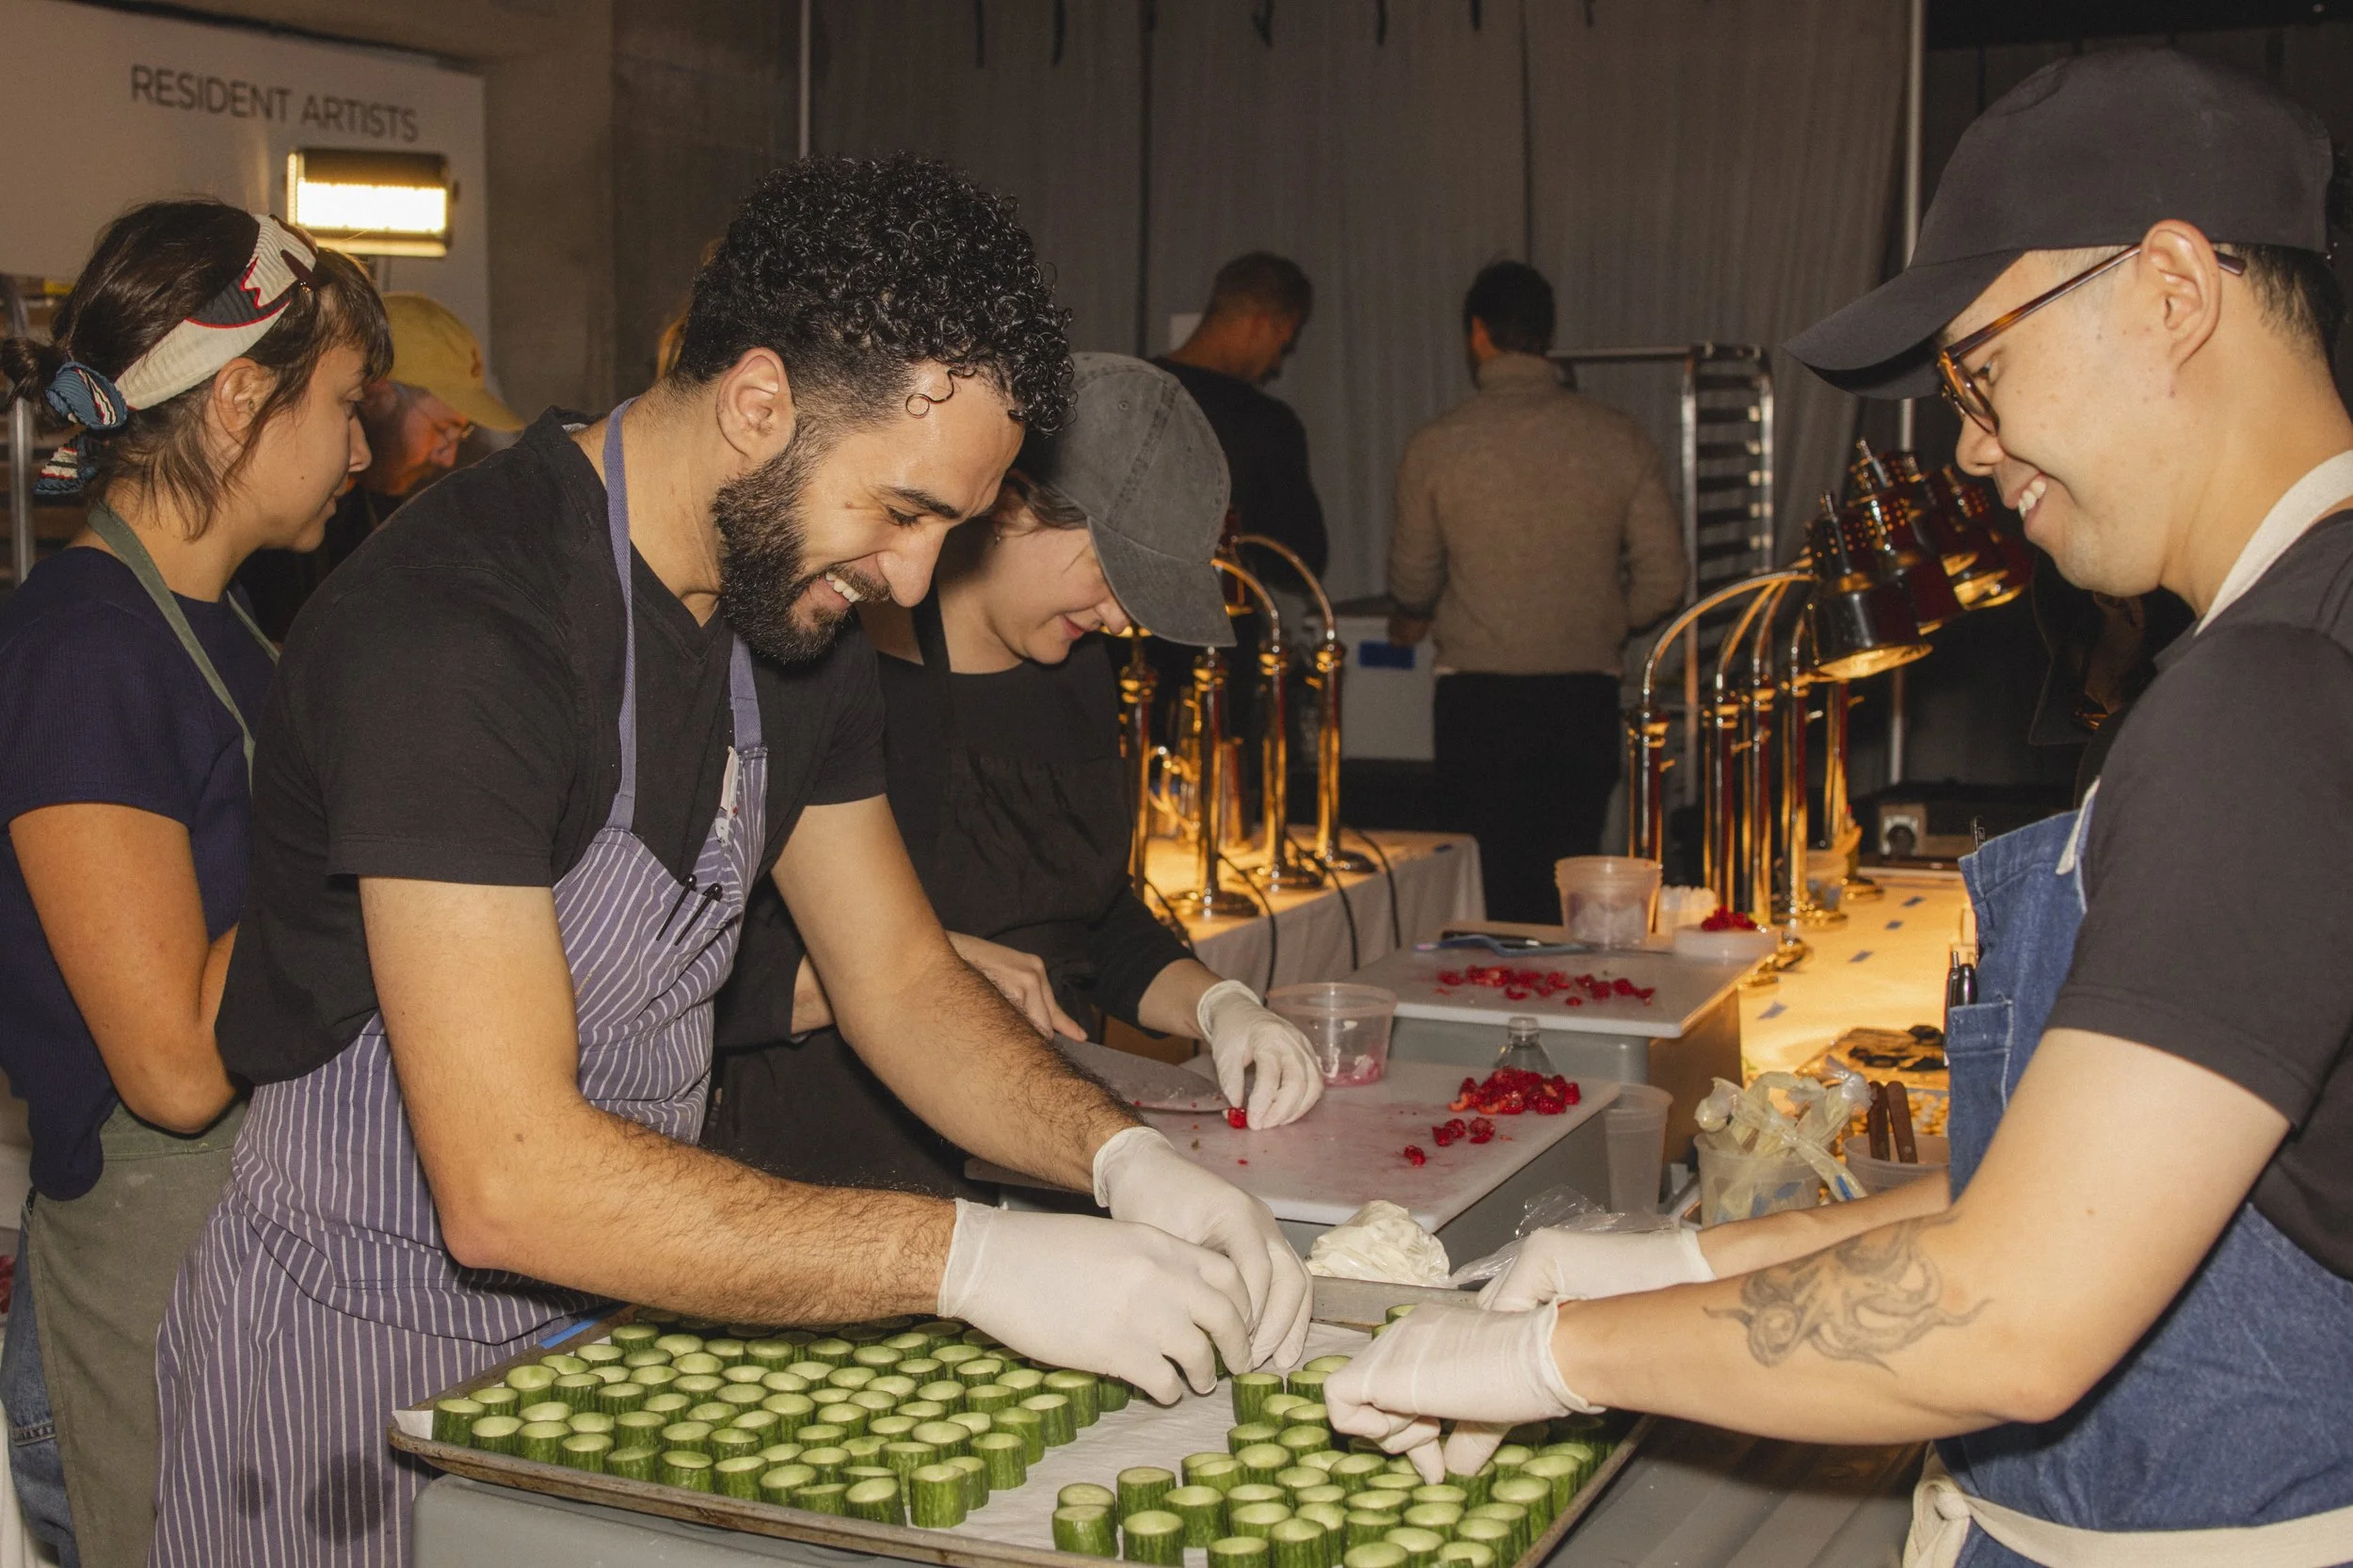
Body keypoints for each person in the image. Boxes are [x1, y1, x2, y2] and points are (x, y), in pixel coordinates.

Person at [149, 157, 1309, 1567]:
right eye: (901, 510)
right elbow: (509, 1176)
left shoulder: (790, 625)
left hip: (610, 1335)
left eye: (946, 525)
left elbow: (895, 976)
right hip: (350, 1366)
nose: (909, 575)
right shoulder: (457, 631)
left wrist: (1119, 1158)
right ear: (758, 405)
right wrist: (971, 1261)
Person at [1323, 47, 2353, 1567]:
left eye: (1981, 376)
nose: (1974, 448)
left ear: (2172, 290)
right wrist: (1662, 1261)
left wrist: (1556, 1360)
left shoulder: (2266, 699)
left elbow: (2017, 1308)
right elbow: (2059, 1187)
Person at [0, 202, 388, 1568]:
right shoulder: (85, 647)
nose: (362, 447)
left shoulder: (232, 636)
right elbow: (169, 1063)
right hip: (146, 1309)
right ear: (237, 400)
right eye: (344, 404)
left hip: (244, 1281)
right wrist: (373, 813)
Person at [706, 353, 1326, 1199]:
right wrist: (917, 973)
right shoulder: (822, 662)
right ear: (1008, 505)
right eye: (1111, 577)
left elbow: (1091, 915)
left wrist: (1222, 1008)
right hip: (836, 1177)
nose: (1117, 618)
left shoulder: (1071, 671)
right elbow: (695, 973)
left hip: (1040, 1151)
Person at [1386, 262, 1684, 920]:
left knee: (1483, 891)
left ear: (1478, 333)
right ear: (1547, 334)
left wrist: (1424, 612)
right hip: (1581, 695)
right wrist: (1602, 618)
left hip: (1477, 700)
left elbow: (1410, 579)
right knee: (1568, 888)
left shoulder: (1437, 445)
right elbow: (1665, 579)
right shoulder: (1618, 437)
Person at [234, 291, 524, 639]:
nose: (447, 458)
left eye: (460, 435)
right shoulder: (276, 515)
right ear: (378, 394)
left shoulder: (376, 512)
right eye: (444, 430)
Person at [1157, 252, 1326, 591]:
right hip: (1222, 625)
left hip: (1120, 627)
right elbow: (1301, 562)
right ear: (1263, 324)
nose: (1277, 364)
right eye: (1284, 346)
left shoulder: (1131, 392)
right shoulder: (1266, 423)